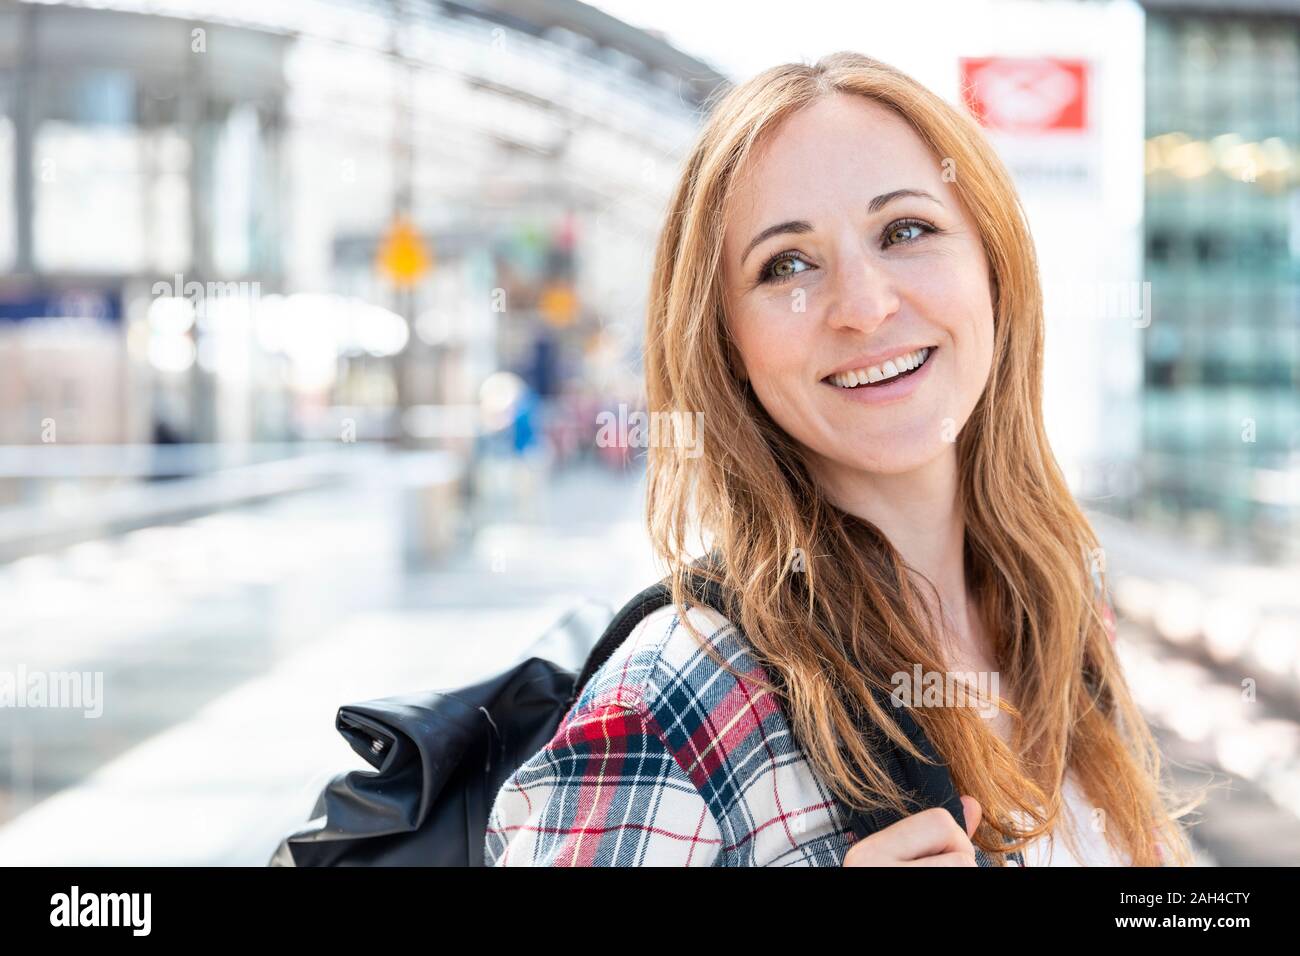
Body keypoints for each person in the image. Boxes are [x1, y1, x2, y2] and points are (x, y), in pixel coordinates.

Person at [484, 51, 1201, 867]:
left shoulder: (1055, 605)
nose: (864, 306)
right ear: (727, 345)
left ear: (995, 269)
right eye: (786, 265)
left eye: (906, 231)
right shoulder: (676, 704)